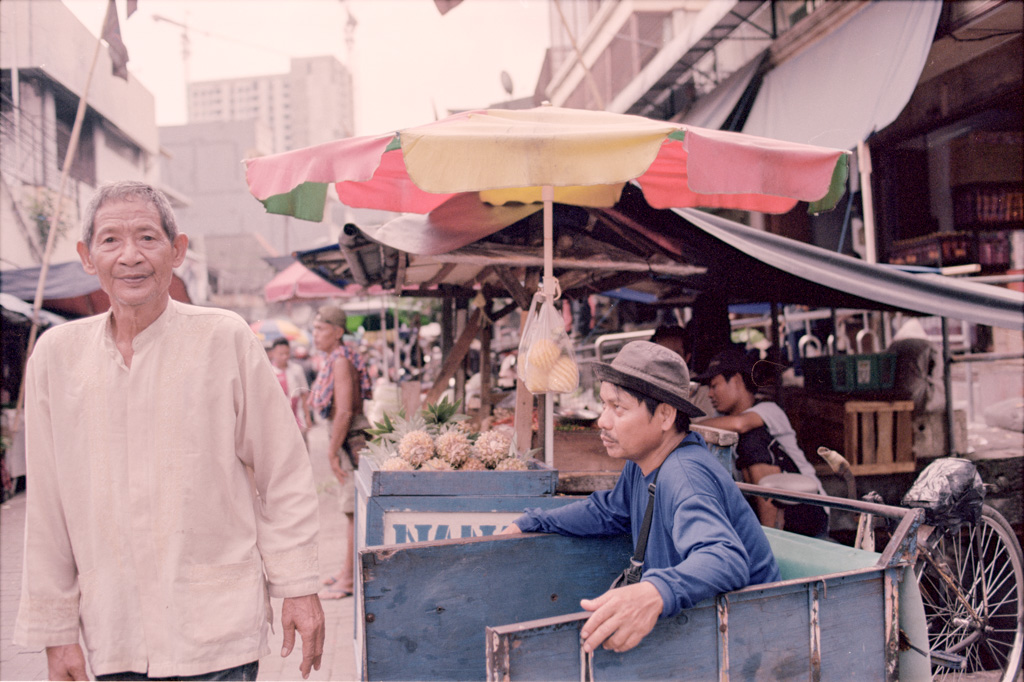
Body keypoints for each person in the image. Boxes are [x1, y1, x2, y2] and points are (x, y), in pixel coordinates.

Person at [14, 181, 325, 681]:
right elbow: (47, 507)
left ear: (177, 251)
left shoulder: (223, 339)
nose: (130, 256)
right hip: (115, 632)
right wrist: (56, 632)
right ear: (87, 257)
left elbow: (283, 473)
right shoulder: (56, 355)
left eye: (148, 238)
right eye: (110, 240)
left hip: (217, 629)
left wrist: (299, 585)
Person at [500, 341, 779, 654]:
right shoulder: (643, 462)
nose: (602, 421)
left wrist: (655, 591)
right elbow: (607, 511)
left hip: (751, 639)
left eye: (618, 408)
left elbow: (726, 557)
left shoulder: (684, 475)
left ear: (664, 415)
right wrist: (534, 521)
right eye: (604, 406)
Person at [696, 349, 829, 537]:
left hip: (807, 508)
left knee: (751, 440)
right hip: (763, 509)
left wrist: (688, 425)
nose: (709, 394)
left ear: (736, 380)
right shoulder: (720, 420)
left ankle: (770, 539)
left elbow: (740, 424)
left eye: (714, 386)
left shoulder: (768, 409)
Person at [309, 305, 371, 600]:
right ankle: (346, 571)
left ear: (336, 332)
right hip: (347, 438)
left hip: (350, 440)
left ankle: (349, 579)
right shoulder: (336, 359)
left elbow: (345, 412)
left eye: (320, 328)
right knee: (351, 509)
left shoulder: (341, 362)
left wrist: (332, 452)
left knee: (351, 511)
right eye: (314, 329)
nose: (315, 334)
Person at [649, 325, 715, 416]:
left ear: (687, 357)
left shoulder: (700, 390)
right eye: (661, 354)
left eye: (674, 355)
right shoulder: (646, 386)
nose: (667, 361)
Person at [268, 337, 313, 437]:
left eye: (287, 353)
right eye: (281, 354)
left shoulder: (297, 370)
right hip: (277, 421)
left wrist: (307, 417)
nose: (284, 357)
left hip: (297, 418)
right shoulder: (269, 372)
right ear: (273, 353)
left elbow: (303, 394)